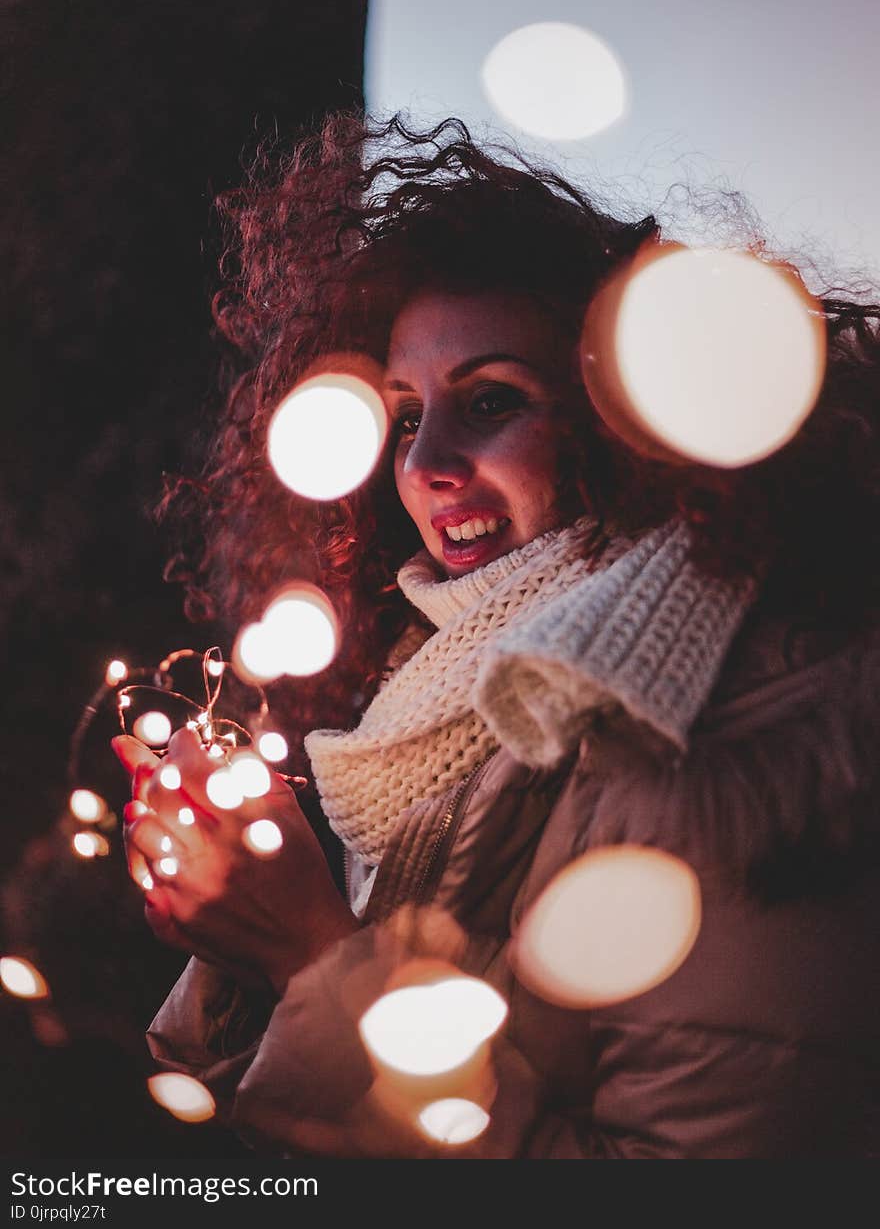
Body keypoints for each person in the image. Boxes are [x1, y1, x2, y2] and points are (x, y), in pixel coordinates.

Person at [114, 114, 880, 1157]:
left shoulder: (738, 731)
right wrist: (244, 936)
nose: (425, 462)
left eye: (489, 401)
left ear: (624, 421)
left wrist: (309, 956)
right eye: (401, 415)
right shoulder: (440, 701)